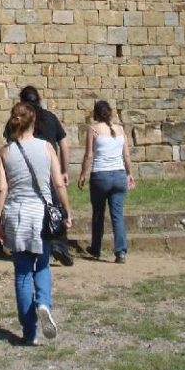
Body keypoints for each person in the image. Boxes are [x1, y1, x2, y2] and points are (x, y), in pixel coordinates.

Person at [0, 101, 72, 346]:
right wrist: (67, 210)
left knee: (23, 273)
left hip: (17, 214)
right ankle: (44, 304)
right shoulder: (47, 147)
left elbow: (2, 188)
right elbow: (58, 183)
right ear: (34, 121)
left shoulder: (4, 153)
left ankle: (29, 332)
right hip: (41, 214)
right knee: (43, 264)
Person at [17, 86, 74, 266]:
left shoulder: (20, 119)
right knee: (55, 207)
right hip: (50, 168)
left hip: (27, 170)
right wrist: (64, 170)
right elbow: (64, 145)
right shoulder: (50, 117)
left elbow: (11, 141)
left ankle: (35, 246)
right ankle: (58, 244)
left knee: (31, 207)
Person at [77, 99, 135, 262]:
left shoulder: (94, 130)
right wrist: (129, 174)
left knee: (98, 213)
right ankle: (121, 251)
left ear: (96, 114)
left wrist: (83, 173)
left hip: (100, 175)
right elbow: (127, 155)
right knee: (117, 214)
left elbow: (89, 155)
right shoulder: (120, 129)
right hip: (118, 174)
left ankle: (96, 248)